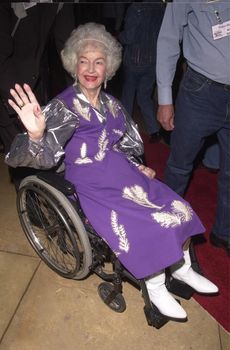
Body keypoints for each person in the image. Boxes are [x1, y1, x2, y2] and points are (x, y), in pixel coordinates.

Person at [5, 22, 218, 322]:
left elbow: (125, 143)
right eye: (84, 61)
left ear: (108, 69)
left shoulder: (113, 105)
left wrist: (137, 163)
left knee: (178, 206)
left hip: (121, 171)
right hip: (90, 181)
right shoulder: (64, 107)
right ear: (73, 65)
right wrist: (38, 136)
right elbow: (25, 158)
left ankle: (182, 267)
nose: (91, 68)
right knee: (148, 223)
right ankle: (156, 287)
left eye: (98, 61)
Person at [156, 0, 230, 256]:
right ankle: (166, 230)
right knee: (180, 166)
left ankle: (224, 232)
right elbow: (167, 42)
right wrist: (165, 99)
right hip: (200, 93)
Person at [0, 2, 75, 186]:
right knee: (22, 158)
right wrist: (17, 102)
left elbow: (68, 44)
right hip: (8, 81)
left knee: (45, 150)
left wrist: (80, 89)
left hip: (35, 77)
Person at [119, 1, 165, 143]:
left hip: (134, 60)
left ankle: (123, 129)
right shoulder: (161, 8)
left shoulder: (136, 8)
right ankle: (154, 131)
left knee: (128, 96)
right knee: (145, 97)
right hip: (153, 60)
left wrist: (119, 36)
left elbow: (129, 37)